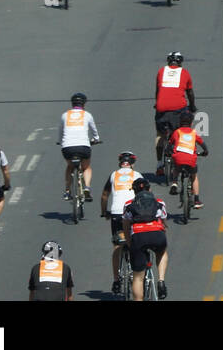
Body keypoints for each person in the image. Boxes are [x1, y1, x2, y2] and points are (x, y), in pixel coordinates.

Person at [100, 151, 143, 294]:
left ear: (120, 163)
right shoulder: (137, 175)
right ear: (132, 164)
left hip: (116, 213)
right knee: (135, 242)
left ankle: (116, 280)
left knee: (117, 245)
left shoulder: (114, 175)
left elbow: (105, 195)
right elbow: (144, 196)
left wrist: (104, 212)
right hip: (132, 211)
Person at [122, 177, 169, 300]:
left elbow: (126, 227)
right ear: (150, 189)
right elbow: (164, 223)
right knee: (162, 252)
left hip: (139, 236)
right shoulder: (160, 202)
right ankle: (161, 280)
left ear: (134, 191)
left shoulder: (128, 204)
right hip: (157, 235)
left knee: (138, 277)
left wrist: (130, 243)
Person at [154, 52, 195, 171]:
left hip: (161, 108)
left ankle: (159, 163)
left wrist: (157, 104)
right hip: (178, 109)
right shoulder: (185, 72)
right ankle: (181, 156)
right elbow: (190, 93)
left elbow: (158, 91)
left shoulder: (161, 71)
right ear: (180, 62)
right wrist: (192, 106)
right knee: (181, 132)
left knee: (159, 135)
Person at [60, 92, 100, 201]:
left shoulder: (65, 115)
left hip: (67, 147)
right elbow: (94, 131)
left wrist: (60, 142)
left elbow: (61, 132)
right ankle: (86, 187)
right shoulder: (87, 115)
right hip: (83, 147)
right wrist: (96, 139)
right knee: (86, 167)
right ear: (84, 104)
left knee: (70, 167)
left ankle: (67, 191)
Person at [166, 111, 208, 208]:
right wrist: (205, 151)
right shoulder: (194, 133)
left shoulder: (177, 132)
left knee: (176, 167)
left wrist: (168, 152)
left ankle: (174, 183)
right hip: (190, 159)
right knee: (194, 177)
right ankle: (197, 200)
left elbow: (169, 144)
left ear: (180, 122)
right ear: (191, 122)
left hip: (178, 158)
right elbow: (202, 144)